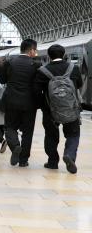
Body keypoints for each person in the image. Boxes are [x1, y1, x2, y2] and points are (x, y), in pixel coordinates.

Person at [36, 44, 82, 173]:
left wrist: (44, 106)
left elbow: (36, 91)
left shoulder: (42, 71)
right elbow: (79, 85)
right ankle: (69, 155)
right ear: (64, 55)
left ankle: (52, 162)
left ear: (49, 56)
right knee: (73, 134)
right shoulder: (74, 68)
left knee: (51, 136)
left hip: (50, 110)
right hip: (70, 108)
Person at [1, 39, 40, 167]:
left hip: (11, 100)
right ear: (31, 50)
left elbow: (2, 80)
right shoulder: (36, 64)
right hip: (30, 103)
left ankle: (15, 146)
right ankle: (24, 160)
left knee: (10, 127)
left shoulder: (9, 62)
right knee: (28, 132)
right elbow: (37, 85)